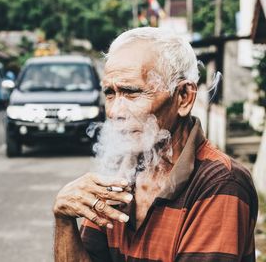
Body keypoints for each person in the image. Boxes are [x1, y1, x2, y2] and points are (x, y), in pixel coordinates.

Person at [53, 27, 258, 262]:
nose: (115, 112)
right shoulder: (120, 174)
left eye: (131, 93)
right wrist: (64, 219)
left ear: (183, 97)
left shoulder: (221, 182)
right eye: (110, 93)